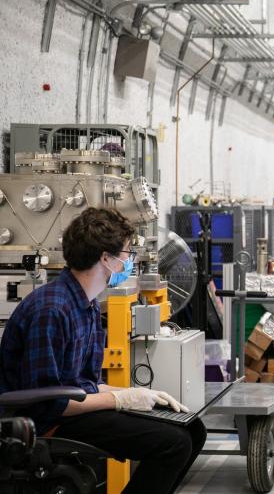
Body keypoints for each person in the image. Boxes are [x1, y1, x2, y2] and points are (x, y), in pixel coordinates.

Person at [0, 207, 206, 494]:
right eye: (126, 254)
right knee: (175, 443)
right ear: (106, 258)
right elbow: (48, 402)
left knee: (193, 430)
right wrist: (120, 400)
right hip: (45, 421)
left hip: (71, 407)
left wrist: (131, 394)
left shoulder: (89, 305)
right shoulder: (51, 309)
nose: (129, 262)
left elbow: (87, 382)